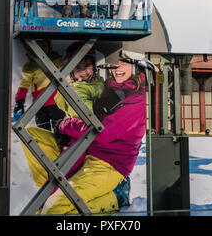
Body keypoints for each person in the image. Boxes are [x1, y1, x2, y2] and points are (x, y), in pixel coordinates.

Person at [20, 46, 133, 214]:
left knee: (57, 199)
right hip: (74, 141)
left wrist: (65, 125)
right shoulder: (71, 88)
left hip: (90, 148)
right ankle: (47, 187)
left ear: (94, 68)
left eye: (86, 66)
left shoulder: (97, 89)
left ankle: (113, 197)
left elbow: (90, 125)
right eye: (78, 68)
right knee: (30, 134)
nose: (83, 72)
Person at [13, 39, 65, 131]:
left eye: (44, 45)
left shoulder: (57, 61)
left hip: (57, 102)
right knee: (43, 131)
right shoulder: (30, 66)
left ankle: (61, 143)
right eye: (38, 46)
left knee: (60, 130)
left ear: (49, 47)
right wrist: (19, 101)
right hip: (40, 104)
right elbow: (24, 84)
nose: (41, 48)